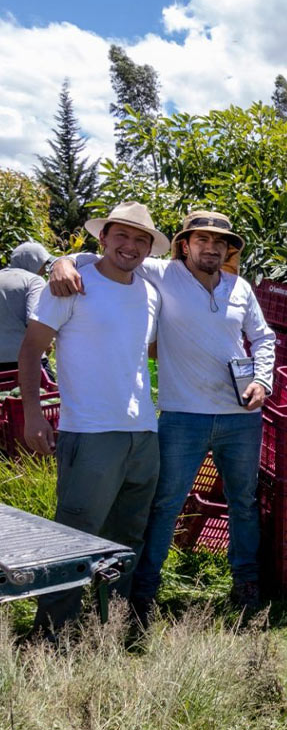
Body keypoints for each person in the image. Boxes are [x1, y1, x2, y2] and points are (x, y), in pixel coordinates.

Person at [49, 210, 276, 614]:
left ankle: (246, 586)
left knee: (243, 502)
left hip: (240, 417)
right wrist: (61, 261)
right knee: (165, 506)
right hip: (182, 416)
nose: (210, 248)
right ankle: (143, 596)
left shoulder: (239, 287)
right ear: (184, 245)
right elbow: (105, 258)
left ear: (228, 251)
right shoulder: (162, 273)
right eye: (201, 241)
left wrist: (262, 380)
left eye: (219, 243)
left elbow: (262, 337)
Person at [18, 201, 166, 634]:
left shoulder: (149, 293)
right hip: (90, 431)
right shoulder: (71, 285)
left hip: (143, 433)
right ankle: (52, 634)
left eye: (141, 239)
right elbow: (32, 350)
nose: (131, 245)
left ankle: (111, 627)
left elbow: (142, 353)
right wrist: (32, 414)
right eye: (121, 235)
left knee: (127, 540)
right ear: (103, 238)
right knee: (75, 536)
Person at [0, 241, 54, 376]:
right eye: (44, 264)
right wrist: (46, 343)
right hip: (26, 358)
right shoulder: (33, 281)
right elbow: (35, 320)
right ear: (34, 261)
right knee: (47, 395)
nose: (44, 270)